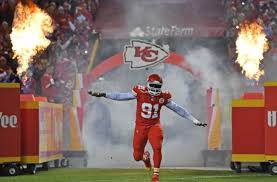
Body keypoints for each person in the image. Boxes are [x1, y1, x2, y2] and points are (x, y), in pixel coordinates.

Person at [88, 73, 207, 182]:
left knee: (157, 147)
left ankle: (156, 175)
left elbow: (178, 109)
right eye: (153, 85)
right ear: (148, 84)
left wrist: (194, 120)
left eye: (157, 86)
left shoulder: (163, 96)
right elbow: (121, 96)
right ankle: (145, 157)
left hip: (154, 125)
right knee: (136, 156)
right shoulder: (140, 92)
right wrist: (104, 94)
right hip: (140, 126)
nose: (155, 89)